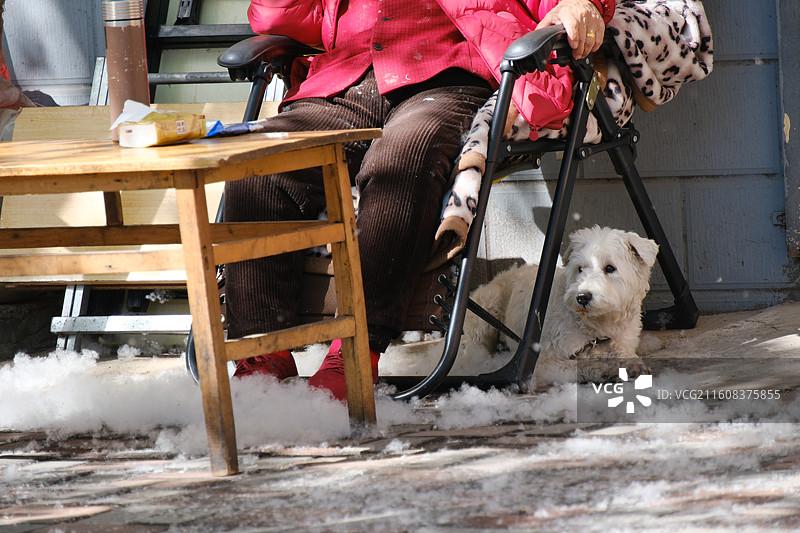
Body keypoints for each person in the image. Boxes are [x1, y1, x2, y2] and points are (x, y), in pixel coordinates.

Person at [226, 0, 615, 401]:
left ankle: (357, 349)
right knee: (258, 163)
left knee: (402, 160)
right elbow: (277, 16)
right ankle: (262, 350)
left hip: (448, 78)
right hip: (343, 83)